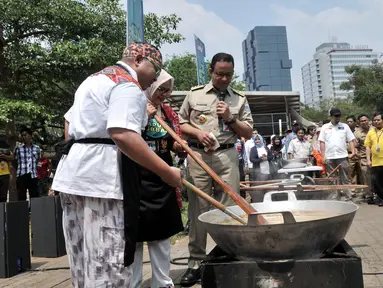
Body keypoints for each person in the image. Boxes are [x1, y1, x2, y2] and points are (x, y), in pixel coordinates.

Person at [51, 42, 182, 287]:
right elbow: (123, 134)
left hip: (73, 174)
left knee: (82, 257)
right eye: (155, 70)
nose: (154, 79)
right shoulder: (127, 85)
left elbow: (69, 127)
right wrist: (166, 173)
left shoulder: (93, 79)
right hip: (102, 179)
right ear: (139, 60)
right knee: (107, 261)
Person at [178, 52, 253, 286]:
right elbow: (181, 123)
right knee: (198, 208)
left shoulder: (239, 98)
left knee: (231, 204)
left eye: (228, 75)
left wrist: (231, 118)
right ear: (211, 71)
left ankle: (228, 255)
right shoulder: (195, 94)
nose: (224, 79)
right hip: (199, 155)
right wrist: (197, 133)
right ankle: (196, 262)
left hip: (227, 154)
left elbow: (248, 132)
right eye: (219, 74)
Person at [131, 70, 184, 288]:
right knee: (133, 235)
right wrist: (145, 117)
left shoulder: (168, 112)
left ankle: (162, 282)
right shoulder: (134, 104)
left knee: (161, 234)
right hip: (136, 177)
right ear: (151, 85)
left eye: (167, 91)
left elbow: (173, 140)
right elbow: (125, 134)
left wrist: (179, 146)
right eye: (160, 88)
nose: (163, 94)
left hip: (162, 177)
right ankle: (132, 282)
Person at [318, 108, 356, 200]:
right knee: (332, 178)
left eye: (339, 116)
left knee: (345, 178)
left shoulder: (345, 126)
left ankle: (348, 196)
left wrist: (353, 152)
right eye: (335, 116)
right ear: (331, 116)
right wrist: (323, 156)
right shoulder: (325, 127)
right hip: (329, 157)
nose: (337, 118)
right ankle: (334, 197)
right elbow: (322, 142)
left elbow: (351, 140)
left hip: (342, 156)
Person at [14, 127, 40, 201]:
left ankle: (34, 212)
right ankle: (22, 212)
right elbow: (15, 161)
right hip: (21, 175)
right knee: (21, 197)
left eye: (25, 135)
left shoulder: (37, 148)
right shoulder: (18, 148)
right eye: (22, 135)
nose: (24, 137)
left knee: (35, 197)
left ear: (31, 136)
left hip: (33, 175)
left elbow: (38, 160)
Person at [354, 114, 374, 204]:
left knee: (378, 177)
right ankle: (369, 195)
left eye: (365, 120)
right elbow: (355, 146)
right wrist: (357, 154)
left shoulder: (375, 129)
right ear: (359, 122)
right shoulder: (357, 133)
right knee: (367, 177)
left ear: (369, 120)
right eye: (362, 121)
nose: (364, 122)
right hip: (364, 159)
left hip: (377, 158)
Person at [365, 112, 383, 206]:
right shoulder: (371, 132)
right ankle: (381, 199)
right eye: (375, 120)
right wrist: (368, 160)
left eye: (378, 120)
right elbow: (367, 147)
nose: (376, 122)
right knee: (377, 182)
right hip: (376, 162)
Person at [0, 135, 14, 202]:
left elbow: (12, 158)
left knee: (3, 195)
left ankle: (2, 211)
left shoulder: (6, 150)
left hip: (5, 175)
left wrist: (4, 156)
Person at [347, 115, 360, 186]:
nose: (349, 123)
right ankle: (352, 190)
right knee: (351, 173)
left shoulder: (359, 131)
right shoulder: (344, 131)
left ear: (355, 122)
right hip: (350, 155)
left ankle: (365, 191)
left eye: (351, 121)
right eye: (348, 122)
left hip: (360, 154)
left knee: (362, 173)